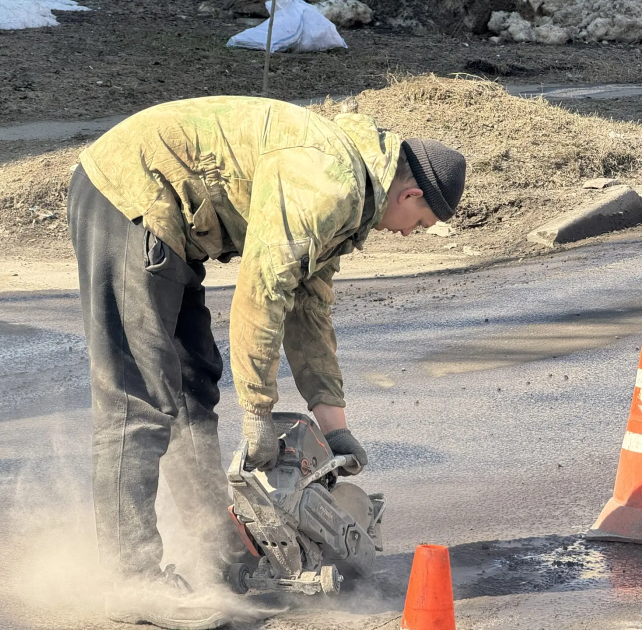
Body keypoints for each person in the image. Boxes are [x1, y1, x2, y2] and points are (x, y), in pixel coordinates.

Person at [67, 95, 466, 629]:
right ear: (411, 192)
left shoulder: (351, 197)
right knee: (137, 397)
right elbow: (263, 288)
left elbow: (309, 307)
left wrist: (335, 428)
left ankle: (218, 555)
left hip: (174, 222)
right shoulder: (329, 181)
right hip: (129, 193)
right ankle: (129, 579)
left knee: (192, 389)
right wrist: (257, 411)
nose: (409, 233)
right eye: (420, 221)